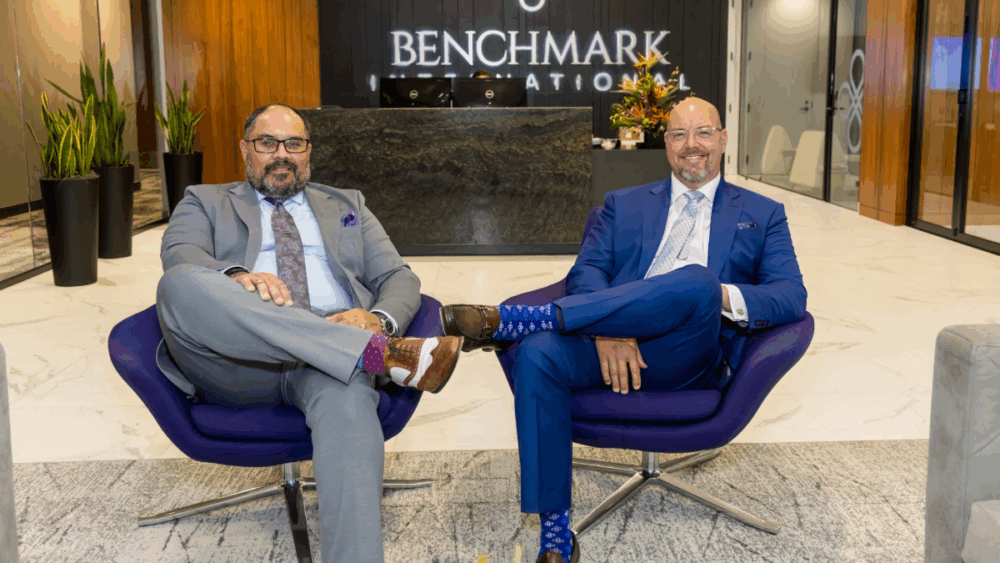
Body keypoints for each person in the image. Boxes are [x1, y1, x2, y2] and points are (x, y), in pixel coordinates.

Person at [439, 97, 807, 563]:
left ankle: (522, 320)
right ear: (666, 144)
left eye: (703, 133)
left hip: (688, 355)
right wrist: (609, 331)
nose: (691, 145)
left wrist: (720, 297)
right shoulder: (623, 204)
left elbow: (792, 296)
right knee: (536, 355)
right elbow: (586, 273)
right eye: (678, 135)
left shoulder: (763, 212)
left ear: (724, 138)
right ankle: (554, 535)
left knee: (698, 281)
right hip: (608, 345)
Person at [154, 103, 465, 563]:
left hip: (324, 364)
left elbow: (398, 277)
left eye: (293, 144)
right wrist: (238, 275)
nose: (281, 154)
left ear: (308, 152)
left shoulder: (347, 205)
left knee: (347, 396)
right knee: (178, 283)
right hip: (236, 362)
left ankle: (365, 349)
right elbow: (181, 254)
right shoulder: (204, 200)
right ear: (245, 150)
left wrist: (378, 321)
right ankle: (378, 355)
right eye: (267, 143)